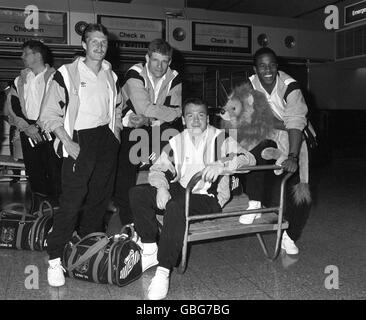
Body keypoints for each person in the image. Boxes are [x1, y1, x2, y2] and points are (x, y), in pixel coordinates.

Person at [129, 98, 256, 300]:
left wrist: (221, 165)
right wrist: (162, 188)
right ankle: (150, 247)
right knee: (138, 193)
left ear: (207, 117)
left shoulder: (220, 138)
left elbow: (249, 159)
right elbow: (157, 169)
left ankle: (163, 270)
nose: (195, 120)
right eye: (190, 115)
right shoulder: (176, 141)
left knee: (177, 206)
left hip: (209, 197)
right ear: (183, 119)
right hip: (183, 189)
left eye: (201, 115)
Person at [39, 23, 122, 287]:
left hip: (104, 140)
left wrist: (115, 134)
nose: (99, 47)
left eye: (103, 42)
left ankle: (89, 243)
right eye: (94, 42)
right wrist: (68, 141)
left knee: (100, 197)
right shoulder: (66, 73)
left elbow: (116, 108)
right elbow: (47, 115)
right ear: (84, 45)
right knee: (72, 200)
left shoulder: (111, 74)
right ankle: (54, 259)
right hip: (78, 139)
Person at [247, 47, 311, 255]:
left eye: (272, 65)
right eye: (263, 66)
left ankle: (290, 235)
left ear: (277, 66)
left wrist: (292, 156)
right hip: (270, 137)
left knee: (299, 190)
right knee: (256, 151)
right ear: (255, 68)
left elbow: (295, 123)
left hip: (296, 138)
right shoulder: (250, 85)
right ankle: (254, 202)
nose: (268, 70)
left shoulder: (290, 86)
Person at [112, 38, 182, 227]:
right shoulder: (134, 73)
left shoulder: (174, 77)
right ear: (147, 58)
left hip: (154, 127)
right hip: (129, 126)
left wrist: (153, 117)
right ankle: (127, 219)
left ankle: (166, 206)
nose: (160, 66)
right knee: (125, 171)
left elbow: (177, 112)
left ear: (170, 62)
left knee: (172, 153)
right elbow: (143, 108)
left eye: (164, 61)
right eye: (155, 60)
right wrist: (160, 114)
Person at [6, 40, 62, 203]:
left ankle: (57, 212)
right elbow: (13, 107)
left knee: (55, 170)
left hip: (51, 129)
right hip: (27, 130)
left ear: (37, 55)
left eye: (25, 53)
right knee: (34, 171)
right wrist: (27, 127)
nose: (22, 56)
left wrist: (39, 125)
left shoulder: (56, 77)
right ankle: (38, 211)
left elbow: (60, 104)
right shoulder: (19, 80)